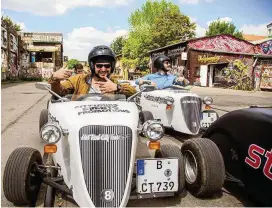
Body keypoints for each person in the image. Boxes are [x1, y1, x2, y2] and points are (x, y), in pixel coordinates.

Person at [48, 45, 137, 100]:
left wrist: (118, 88)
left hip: (107, 122)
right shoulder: (79, 79)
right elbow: (59, 93)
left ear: (112, 67)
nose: (103, 69)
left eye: (107, 66)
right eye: (99, 66)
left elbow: (134, 93)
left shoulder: (113, 83)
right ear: (92, 66)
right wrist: (55, 78)